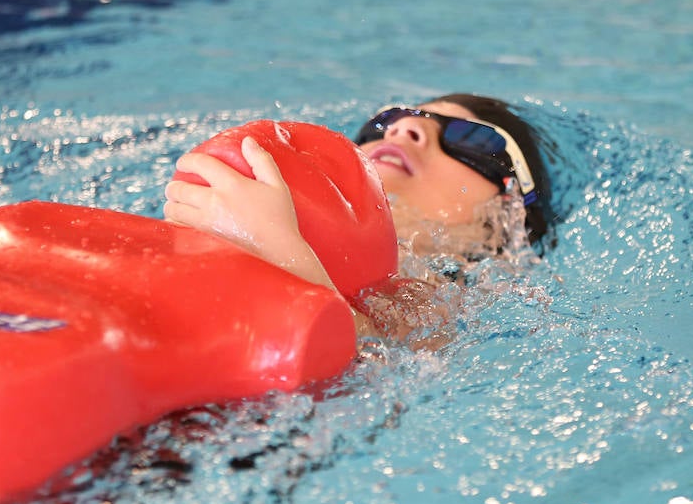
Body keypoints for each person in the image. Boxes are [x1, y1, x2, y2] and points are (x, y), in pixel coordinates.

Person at [163, 93, 553, 341]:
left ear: (509, 211)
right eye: (383, 122)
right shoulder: (270, 214)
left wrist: (283, 256)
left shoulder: (460, 301)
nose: (405, 127)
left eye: (469, 139)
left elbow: (379, 372)